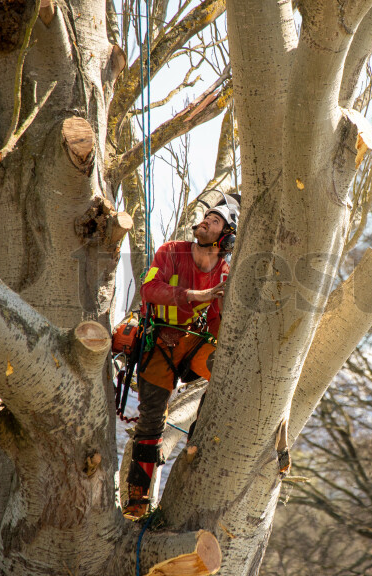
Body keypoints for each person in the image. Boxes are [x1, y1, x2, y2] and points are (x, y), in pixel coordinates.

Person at [123, 197, 239, 519]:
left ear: (226, 238)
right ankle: (138, 496)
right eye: (205, 217)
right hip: (159, 341)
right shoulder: (172, 252)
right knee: (151, 419)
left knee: (227, 372)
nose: (205, 222)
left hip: (193, 341)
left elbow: (215, 318)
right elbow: (150, 289)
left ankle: (201, 437)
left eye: (214, 221)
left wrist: (228, 334)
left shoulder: (225, 271)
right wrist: (194, 296)